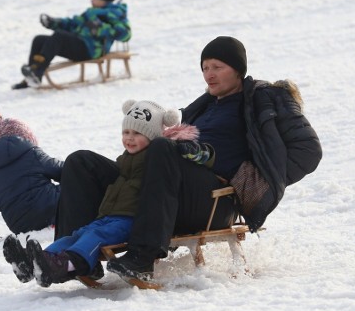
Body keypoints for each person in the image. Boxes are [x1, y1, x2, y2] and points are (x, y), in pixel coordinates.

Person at [53, 36, 323, 285]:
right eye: (205, 67)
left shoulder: (258, 100)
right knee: (81, 162)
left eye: (217, 66)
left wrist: (262, 179)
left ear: (238, 69)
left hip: (213, 200)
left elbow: (308, 151)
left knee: (162, 147)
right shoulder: (203, 106)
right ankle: (65, 257)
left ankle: (143, 257)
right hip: (166, 192)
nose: (210, 74)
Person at [3, 100, 213, 287]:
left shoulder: (157, 156)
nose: (129, 139)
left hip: (128, 221)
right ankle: (37, 262)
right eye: (126, 132)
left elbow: (200, 159)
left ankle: (68, 264)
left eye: (137, 134)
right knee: (76, 235)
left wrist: (187, 148)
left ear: (152, 136)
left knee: (95, 236)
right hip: (109, 216)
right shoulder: (125, 160)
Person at [12, 0, 132, 90]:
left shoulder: (114, 13)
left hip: (92, 50)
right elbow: (73, 23)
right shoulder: (90, 12)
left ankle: (37, 72)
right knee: (39, 40)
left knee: (59, 36)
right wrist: (54, 22)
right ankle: (32, 76)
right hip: (80, 44)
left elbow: (125, 34)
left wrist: (100, 28)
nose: (91, 0)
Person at [0, 112, 64, 241]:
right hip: (53, 211)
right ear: (25, 137)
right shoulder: (33, 154)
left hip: (22, 227)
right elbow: (65, 171)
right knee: (78, 180)